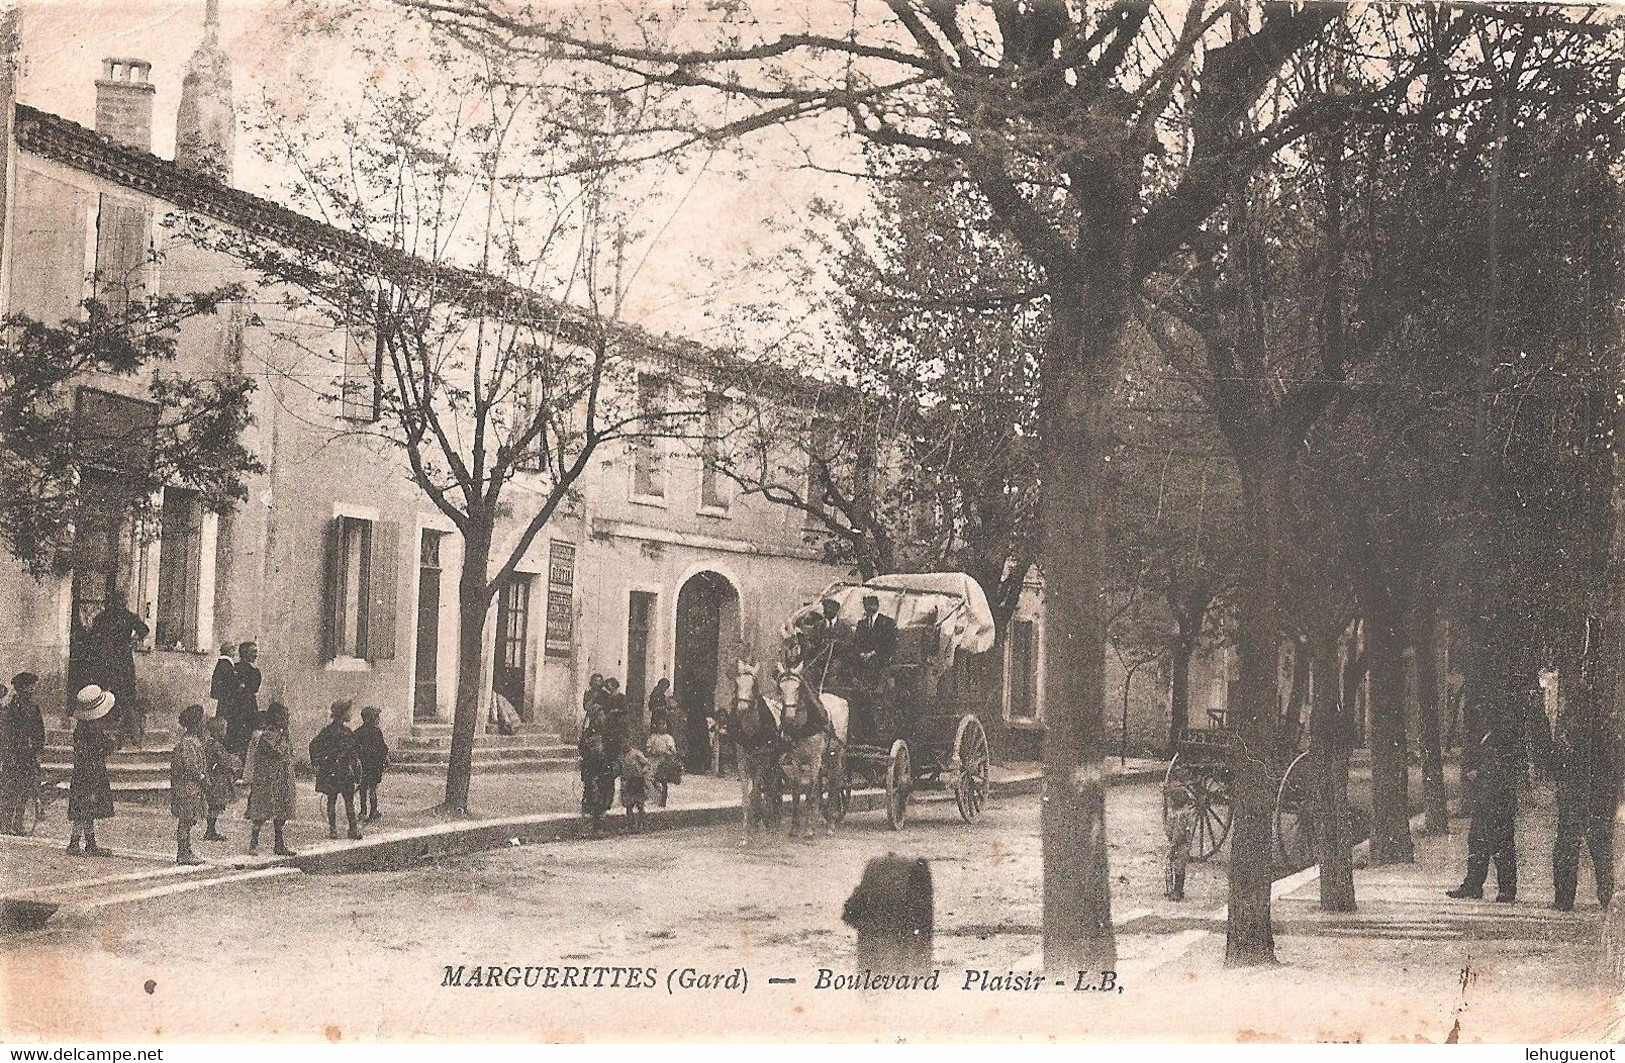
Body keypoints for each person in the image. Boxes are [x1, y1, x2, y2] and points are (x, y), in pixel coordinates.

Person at [1448, 698, 1525, 902]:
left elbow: (1500, 769)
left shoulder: (1502, 739)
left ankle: (1506, 889)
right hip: (1487, 799)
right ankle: (1475, 885)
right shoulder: (1490, 737)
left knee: (1500, 844)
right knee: (1478, 842)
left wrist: (1478, 773)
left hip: (1498, 800)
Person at [1551, 711, 1617, 912]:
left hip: (1578, 796)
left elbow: (1559, 763)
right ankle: (1605, 896)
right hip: (1597, 796)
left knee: (1568, 848)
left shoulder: (1575, 729)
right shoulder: (1606, 730)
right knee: (1599, 850)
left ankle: (1564, 899)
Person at [86, 593, 147, 747]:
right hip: (122, 656)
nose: (122, 604)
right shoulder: (127, 616)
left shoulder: (103, 616)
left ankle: (109, 720)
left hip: (107, 656)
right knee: (124, 690)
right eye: (122, 601)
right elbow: (144, 629)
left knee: (109, 687)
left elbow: (93, 635)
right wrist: (132, 641)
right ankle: (125, 728)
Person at [66, 685, 118, 856]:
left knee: (87, 808)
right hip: (90, 772)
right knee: (84, 808)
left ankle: (90, 842)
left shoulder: (83, 727)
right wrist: (112, 743)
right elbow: (100, 748)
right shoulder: (91, 729)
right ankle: (75, 843)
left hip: (84, 772)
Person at [244, 702, 297, 856]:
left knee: (281, 813)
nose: (288, 720)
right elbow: (278, 752)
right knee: (261, 813)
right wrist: (284, 735)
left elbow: (289, 753)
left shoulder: (281, 735)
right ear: (278, 719)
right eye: (285, 718)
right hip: (268, 781)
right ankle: (253, 843)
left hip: (282, 779)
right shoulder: (267, 736)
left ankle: (279, 844)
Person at [310, 700, 364, 841]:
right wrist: (357, 772)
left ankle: (333, 830)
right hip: (344, 771)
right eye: (349, 711)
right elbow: (355, 754)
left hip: (332, 771)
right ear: (343, 713)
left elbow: (314, 745)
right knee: (349, 801)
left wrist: (317, 763)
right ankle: (353, 829)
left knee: (331, 800)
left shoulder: (327, 731)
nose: (351, 714)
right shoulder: (347, 733)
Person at [1, 673, 44, 834]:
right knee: (9, 790)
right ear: (20, 688)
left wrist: (37, 750)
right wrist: (7, 754)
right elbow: (6, 733)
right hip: (12, 754)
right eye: (29, 686)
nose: (32, 689)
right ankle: (4, 824)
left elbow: (40, 732)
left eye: (33, 685)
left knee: (25, 790)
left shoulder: (34, 707)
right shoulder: (10, 707)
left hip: (28, 755)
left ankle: (18, 823)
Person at [170, 706, 208, 865]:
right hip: (187, 788)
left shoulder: (191, 742)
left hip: (190, 788)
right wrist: (202, 777)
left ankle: (186, 849)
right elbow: (191, 766)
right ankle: (183, 852)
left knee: (188, 820)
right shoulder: (189, 743)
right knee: (185, 821)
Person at [577, 693, 616, 833]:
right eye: (598, 715)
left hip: (604, 765)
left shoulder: (607, 732)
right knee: (593, 792)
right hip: (592, 766)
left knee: (605, 791)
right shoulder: (588, 732)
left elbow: (612, 746)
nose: (601, 717)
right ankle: (594, 820)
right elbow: (582, 748)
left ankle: (600, 818)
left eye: (601, 714)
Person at [200, 715, 240, 841]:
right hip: (217, 780)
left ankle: (210, 830)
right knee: (216, 805)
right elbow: (224, 761)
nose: (225, 732)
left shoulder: (208, 744)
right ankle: (210, 831)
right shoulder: (216, 745)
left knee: (214, 805)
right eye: (224, 730)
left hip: (211, 777)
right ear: (218, 732)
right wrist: (234, 760)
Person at [224, 641, 263, 762]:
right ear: (245, 653)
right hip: (243, 706)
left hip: (243, 707)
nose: (256, 655)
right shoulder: (251, 671)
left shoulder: (237, 668)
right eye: (253, 652)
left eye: (256, 652)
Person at [355, 706, 390, 823]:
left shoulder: (358, 732)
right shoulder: (376, 732)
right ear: (371, 719)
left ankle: (363, 811)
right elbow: (383, 748)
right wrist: (384, 758)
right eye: (377, 717)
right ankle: (373, 811)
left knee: (363, 789)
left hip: (363, 765)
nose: (378, 719)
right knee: (373, 789)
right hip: (374, 765)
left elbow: (354, 748)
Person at [853, 594, 897, 684]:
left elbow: (889, 642)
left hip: (880, 655)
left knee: (874, 666)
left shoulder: (887, 622)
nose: (868, 607)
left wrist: (872, 653)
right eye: (866, 605)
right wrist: (861, 653)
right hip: (864, 656)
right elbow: (857, 641)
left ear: (877, 606)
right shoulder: (862, 623)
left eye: (871, 605)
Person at [1164, 785, 1196, 901]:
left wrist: (1173, 846)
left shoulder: (1179, 816)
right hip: (1181, 843)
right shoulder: (1181, 813)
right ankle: (1176, 890)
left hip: (1180, 844)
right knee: (1178, 865)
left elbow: (1178, 832)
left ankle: (1178, 891)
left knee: (1179, 867)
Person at [647, 714, 681, 808]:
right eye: (660, 724)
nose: (662, 726)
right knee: (651, 778)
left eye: (664, 724)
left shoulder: (668, 738)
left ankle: (663, 799)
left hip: (664, 761)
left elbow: (673, 751)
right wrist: (654, 751)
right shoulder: (653, 737)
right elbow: (648, 748)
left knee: (663, 780)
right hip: (654, 760)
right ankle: (655, 796)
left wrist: (666, 752)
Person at [618, 746, 652, 829]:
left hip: (637, 780)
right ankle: (631, 824)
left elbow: (647, 763)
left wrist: (641, 772)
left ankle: (642, 823)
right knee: (628, 804)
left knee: (640, 803)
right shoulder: (621, 756)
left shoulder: (636, 753)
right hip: (627, 781)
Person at [208, 643, 235, 719]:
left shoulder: (222, 663)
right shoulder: (226, 664)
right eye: (233, 650)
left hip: (224, 696)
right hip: (226, 696)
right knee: (225, 715)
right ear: (229, 652)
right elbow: (229, 680)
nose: (235, 653)